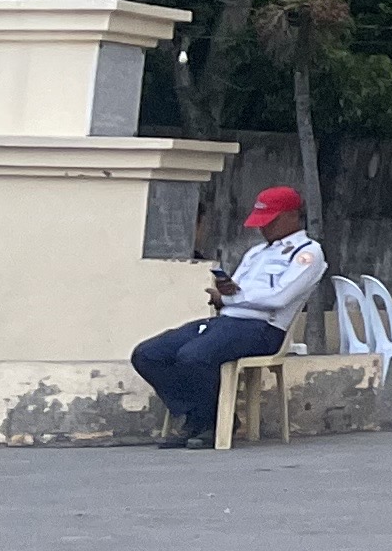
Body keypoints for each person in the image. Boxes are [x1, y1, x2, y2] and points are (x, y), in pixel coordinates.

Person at [131, 185, 324, 446]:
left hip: (263, 328)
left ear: (292, 216)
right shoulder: (256, 252)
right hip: (226, 321)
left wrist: (231, 298)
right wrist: (223, 293)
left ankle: (207, 424)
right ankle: (201, 415)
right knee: (148, 354)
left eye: (270, 221)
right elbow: (238, 289)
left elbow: (279, 298)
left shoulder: (308, 253)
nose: (263, 228)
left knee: (194, 356)